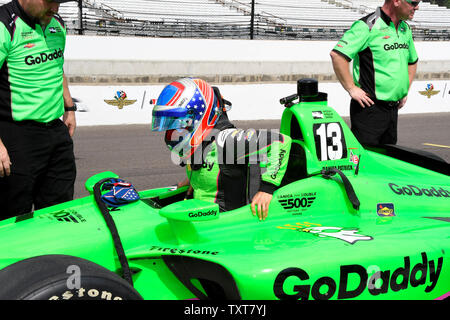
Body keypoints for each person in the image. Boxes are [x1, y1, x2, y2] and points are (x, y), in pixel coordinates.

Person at [151, 78, 291, 221]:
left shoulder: (226, 140)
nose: (175, 131)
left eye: (178, 123)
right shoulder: (201, 141)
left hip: (224, 227)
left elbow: (280, 141)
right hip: (199, 218)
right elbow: (211, 165)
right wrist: (191, 181)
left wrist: (267, 189)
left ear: (197, 116)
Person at [0, 0, 78, 220]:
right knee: (14, 217)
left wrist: (69, 106)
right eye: (49, 1)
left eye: (59, 2)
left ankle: (53, 256)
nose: (54, 8)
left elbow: (56, 64)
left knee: (59, 213)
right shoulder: (4, 24)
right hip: (16, 136)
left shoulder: (57, 23)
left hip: (56, 133)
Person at [330, 0, 419, 146]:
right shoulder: (367, 26)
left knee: (388, 160)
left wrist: (404, 90)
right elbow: (338, 56)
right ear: (396, 1)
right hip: (369, 109)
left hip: (392, 110)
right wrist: (351, 88)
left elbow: (412, 61)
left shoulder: (405, 28)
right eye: (414, 3)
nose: (417, 7)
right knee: (366, 162)